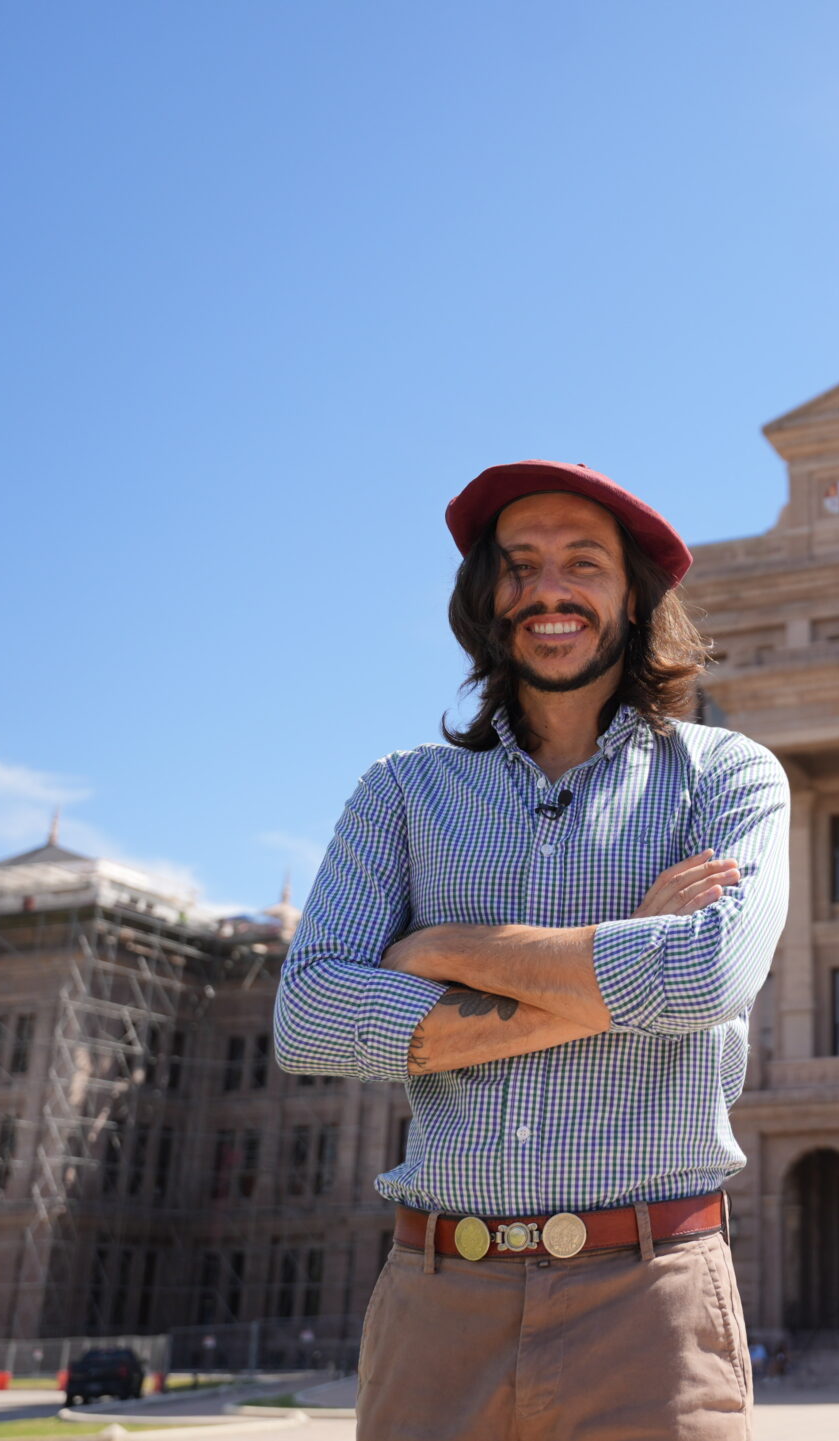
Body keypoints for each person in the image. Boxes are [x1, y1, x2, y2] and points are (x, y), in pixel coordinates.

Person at [274, 460, 790, 1440]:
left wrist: (440, 946)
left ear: (635, 597)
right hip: (438, 1303)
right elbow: (308, 1018)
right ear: (486, 597)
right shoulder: (402, 792)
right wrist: (627, 958)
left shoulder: (726, 777)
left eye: (582, 563)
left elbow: (710, 974)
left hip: (650, 1302)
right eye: (519, 565)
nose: (548, 590)